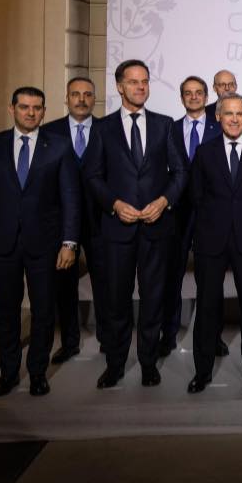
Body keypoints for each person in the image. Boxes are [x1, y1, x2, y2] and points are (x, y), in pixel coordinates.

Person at [0, 87, 79, 397]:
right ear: (12, 109)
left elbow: (71, 198)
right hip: (0, 244)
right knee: (6, 313)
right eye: (25, 107)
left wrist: (69, 243)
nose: (31, 113)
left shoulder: (59, 146)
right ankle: (8, 373)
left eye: (37, 108)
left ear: (44, 111)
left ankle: (38, 373)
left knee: (43, 312)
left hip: (45, 245)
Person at [82, 59, 187, 388]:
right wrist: (114, 205)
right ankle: (115, 365)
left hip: (157, 228)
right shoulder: (102, 128)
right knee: (116, 301)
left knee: (153, 299)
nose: (140, 87)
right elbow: (92, 175)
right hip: (118, 229)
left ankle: (148, 363)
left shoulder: (165, 125)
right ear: (119, 86)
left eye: (145, 82)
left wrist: (163, 201)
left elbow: (180, 172)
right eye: (133, 82)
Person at [186, 94, 242, 393]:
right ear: (218, 116)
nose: (235, 119)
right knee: (207, 307)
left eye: (240, 113)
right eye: (229, 113)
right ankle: (202, 372)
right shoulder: (204, 152)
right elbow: (197, 195)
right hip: (211, 239)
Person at [161, 76, 221, 358]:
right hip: (177, 212)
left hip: (211, 211)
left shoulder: (220, 127)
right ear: (182, 98)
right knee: (172, 275)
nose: (194, 97)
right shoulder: (169, 129)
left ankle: (213, 337)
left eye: (199, 93)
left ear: (207, 97)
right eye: (188, 93)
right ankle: (168, 334)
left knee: (210, 279)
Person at [43, 76, 101, 363]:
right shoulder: (48, 132)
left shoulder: (107, 129)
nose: (81, 99)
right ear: (66, 98)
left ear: (94, 99)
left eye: (87, 94)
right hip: (62, 221)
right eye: (75, 94)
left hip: (100, 220)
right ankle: (69, 342)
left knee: (104, 282)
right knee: (64, 285)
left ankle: (108, 339)